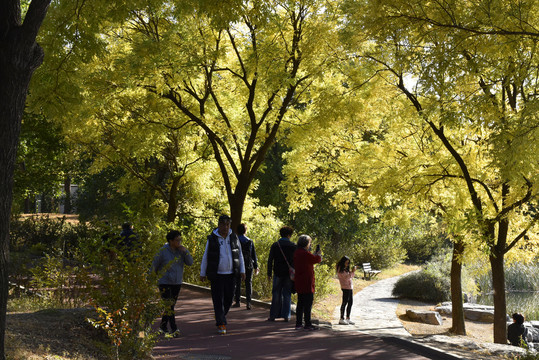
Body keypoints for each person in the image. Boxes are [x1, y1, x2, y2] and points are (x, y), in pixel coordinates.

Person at [200, 215, 246, 335]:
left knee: (229, 298)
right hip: (217, 274)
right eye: (223, 224)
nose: (225, 227)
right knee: (217, 299)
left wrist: (242, 270)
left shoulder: (234, 237)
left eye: (228, 224)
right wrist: (203, 272)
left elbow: (239, 254)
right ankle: (221, 323)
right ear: (219, 225)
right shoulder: (212, 239)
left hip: (231, 274)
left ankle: (220, 315)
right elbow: (206, 256)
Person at [152, 230, 194, 337]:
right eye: (177, 240)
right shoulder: (162, 251)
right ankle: (174, 329)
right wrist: (150, 280)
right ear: (170, 241)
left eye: (180, 239)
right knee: (169, 306)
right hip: (164, 282)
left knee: (170, 306)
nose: (179, 242)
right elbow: (154, 266)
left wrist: (186, 252)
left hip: (177, 282)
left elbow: (190, 263)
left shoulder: (181, 251)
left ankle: (163, 327)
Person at [267, 226, 296, 321]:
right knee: (287, 294)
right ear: (289, 235)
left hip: (277, 272)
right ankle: (286, 316)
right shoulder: (293, 246)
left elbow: (270, 259)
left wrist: (269, 272)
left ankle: (273, 315)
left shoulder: (275, 245)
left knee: (276, 293)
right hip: (288, 274)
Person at [293, 234, 322, 330]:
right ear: (306, 244)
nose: (310, 245)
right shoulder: (305, 254)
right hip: (307, 281)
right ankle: (307, 323)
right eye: (309, 243)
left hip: (299, 280)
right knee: (308, 304)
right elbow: (317, 260)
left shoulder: (297, 252)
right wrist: (318, 254)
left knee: (300, 303)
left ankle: (298, 323)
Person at [232, 223, 259, 310]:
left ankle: (238, 301)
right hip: (248, 265)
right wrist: (256, 266)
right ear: (245, 231)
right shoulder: (249, 241)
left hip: (238, 264)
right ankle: (248, 302)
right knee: (248, 283)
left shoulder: (235, 240)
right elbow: (253, 255)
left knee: (238, 283)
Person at [336, 256, 356, 325]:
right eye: (346, 262)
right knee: (344, 302)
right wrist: (352, 272)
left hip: (350, 287)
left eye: (348, 263)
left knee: (350, 302)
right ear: (343, 262)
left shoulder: (346, 269)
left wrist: (352, 272)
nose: (347, 264)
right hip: (345, 287)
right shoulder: (340, 269)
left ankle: (348, 318)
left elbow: (351, 276)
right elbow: (346, 278)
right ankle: (341, 318)